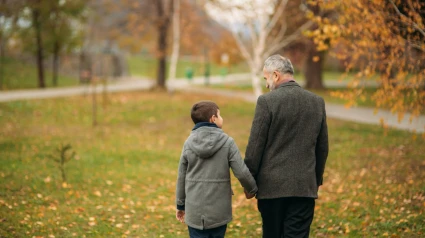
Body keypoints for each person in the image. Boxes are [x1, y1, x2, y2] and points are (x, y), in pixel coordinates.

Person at [244, 54, 329, 238]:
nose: (266, 84)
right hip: (303, 187)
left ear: (276, 75)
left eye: (266, 78)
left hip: (271, 189)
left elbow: (255, 146)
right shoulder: (317, 102)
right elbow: (322, 147)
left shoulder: (266, 102)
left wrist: (249, 183)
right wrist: (314, 180)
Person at [175, 101, 258, 238]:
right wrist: (252, 189)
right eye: (219, 115)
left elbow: (181, 176)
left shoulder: (188, 143)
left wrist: (180, 205)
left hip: (195, 212)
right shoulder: (227, 142)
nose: (221, 118)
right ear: (213, 119)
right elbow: (242, 172)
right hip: (219, 212)